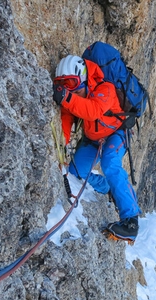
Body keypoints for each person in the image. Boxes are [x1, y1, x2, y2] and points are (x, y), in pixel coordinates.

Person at [52, 55, 140, 241]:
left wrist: (65, 96)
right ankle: (108, 187)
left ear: (83, 78)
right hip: (93, 140)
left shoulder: (105, 89)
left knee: (110, 163)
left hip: (116, 134)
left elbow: (92, 110)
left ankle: (131, 220)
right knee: (75, 171)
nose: (69, 88)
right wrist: (63, 143)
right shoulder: (74, 97)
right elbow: (67, 117)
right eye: (63, 84)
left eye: (71, 82)